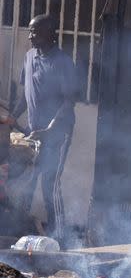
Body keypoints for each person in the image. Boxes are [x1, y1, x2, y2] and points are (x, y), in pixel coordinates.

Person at [5, 14, 78, 242]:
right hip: (34, 132)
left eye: (34, 31)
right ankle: (21, 235)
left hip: (58, 133)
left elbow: (69, 101)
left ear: (50, 33)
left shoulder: (63, 62)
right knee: (27, 183)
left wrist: (49, 129)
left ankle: (61, 238)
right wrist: (11, 118)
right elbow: (26, 96)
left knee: (50, 185)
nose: (30, 36)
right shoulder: (29, 57)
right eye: (29, 31)